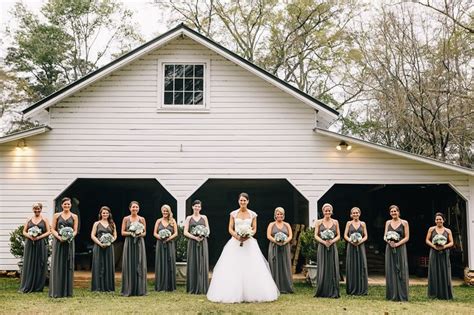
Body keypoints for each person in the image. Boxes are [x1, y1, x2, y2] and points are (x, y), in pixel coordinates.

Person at [207, 192, 279, 303]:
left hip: (249, 243)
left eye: (244, 200)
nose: (242, 202)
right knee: (233, 266)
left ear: (248, 201)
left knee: (251, 267)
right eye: (241, 200)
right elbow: (230, 228)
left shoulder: (253, 215)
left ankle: (253, 293)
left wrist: (248, 235)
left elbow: (254, 229)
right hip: (235, 242)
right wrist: (237, 236)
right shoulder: (233, 214)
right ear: (238, 201)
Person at [49, 197, 79, 298]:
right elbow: (52, 229)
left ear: (71, 205)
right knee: (58, 264)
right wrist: (59, 237)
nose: (67, 206)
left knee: (67, 264)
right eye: (65, 204)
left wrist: (69, 236)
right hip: (58, 242)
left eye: (68, 204)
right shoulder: (56, 215)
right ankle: (57, 290)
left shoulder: (74, 216)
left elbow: (75, 230)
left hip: (69, 243)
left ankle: (67, 291)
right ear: (61, 205)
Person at [19, 203, 51, 293]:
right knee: (29, 262)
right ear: (32, 209)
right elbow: (24, 231)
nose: (37, 210)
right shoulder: (29, 219)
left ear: (41, 209)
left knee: (40, 263)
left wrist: (39, 237)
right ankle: (28, 284)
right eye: (35, 209)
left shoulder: (45, 219)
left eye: (38, 209)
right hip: (30, 243)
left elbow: (49, 231)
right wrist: (30, 236)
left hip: (40, 243)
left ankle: (38, 286)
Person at [314, 203, 340, 298]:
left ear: (331, 211)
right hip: (322, 247)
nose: (327, 212)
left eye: (329, 210)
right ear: (323, 211)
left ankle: (333, 290)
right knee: (323, 266)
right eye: (326, 210)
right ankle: (322, 290)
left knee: (332, 266)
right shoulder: (318, 222)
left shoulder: (335, 222)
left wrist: (332, 241)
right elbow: (316, 235)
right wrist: (323, 242)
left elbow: (338, 235)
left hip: (332, 247)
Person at [121, 201, 147, 296]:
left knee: (139, 263)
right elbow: (122, 232)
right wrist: (131, 233)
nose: (134, 209)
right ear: (130, 208)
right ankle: (129, 288)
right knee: (129, 263)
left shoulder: (142, 219)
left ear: (139, 208)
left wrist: (139, 233)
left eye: (136, 207)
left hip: (139, 243)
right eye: (133, 207)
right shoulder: (126, 219)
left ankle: (139, 289)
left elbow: (144, 233)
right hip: (129, 243)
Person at [184, 200, 210, 294]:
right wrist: (195, 237)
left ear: (201, 208)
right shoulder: (189, 218)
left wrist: (203, 235)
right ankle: (193, 286)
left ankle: (202, 286)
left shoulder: (204, 217)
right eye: (195, 206)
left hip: (203, 242)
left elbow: (208, 230)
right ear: (192, 207)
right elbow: (185, 232)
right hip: (192, 242)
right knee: (193, 262)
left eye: (199, 206)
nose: (197, 208)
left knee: (202, 262)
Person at [426, 212, 454, 299]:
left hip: (444, 253)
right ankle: (434, 293)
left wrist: (444, 246)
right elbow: (427, 240)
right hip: (434, 252)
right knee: (434, 271)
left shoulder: (448, 231)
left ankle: (445, 294)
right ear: (435, 220)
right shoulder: (431, 229)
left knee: (444, 271)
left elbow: (452, 242)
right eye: (437, 219)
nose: (438, 221)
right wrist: (434, 246)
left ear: (443, 220)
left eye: (440, 219)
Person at [384, 205, 409, 301]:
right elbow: (385, 236)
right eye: (392, 211)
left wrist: (397, 244)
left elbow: (407, 237)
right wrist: (389, 241)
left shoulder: (404, 223)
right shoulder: (388, 222)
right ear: (390, 213)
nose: (393, 213)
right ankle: (391, 294)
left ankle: (402, 294)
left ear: (398, 212)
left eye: (395, 211)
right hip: (390, 247)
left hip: (400, 247)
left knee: (401, 270)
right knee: (391, 269)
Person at [266, 207, 293, 293]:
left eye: (281, 214)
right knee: (274, 265)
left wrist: (285, 242)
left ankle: (286, 287)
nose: (279, 215)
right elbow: (268, 236)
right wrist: (276, 241)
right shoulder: (271, 224)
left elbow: (290, 236)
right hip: (274, 247)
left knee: (285, 265)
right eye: (278, 214)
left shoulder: (287, 224)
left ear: (283, 215)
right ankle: (275, 287)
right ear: (275, 215)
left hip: (285, 247)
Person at [91, 206, 117, 292]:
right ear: (100, 214)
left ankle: (108, 287)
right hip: (98, 247)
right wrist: (100, 243)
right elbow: (92, 235)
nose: (105, 214)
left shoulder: (112, 224)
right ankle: (98, 287)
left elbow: (115, 236)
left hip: (109, 247)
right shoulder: (96, 223)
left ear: (109, 214)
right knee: (98, 265)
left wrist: (110, 241)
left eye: (106, 213)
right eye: (103, 213)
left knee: (108, 265)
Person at [343, 207, 368, 295]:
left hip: (360, 246)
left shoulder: (363, 223)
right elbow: (345, 235)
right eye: (353, 213)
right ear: (351, 214)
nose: (355, 214)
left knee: (361, 265)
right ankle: (351, 288)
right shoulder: (349, 223)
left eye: (357, 213)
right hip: (351, 246)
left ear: (359, 214)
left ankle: (361, 288)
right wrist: (351, 240)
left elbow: (366, 236)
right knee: (352, 265)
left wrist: (360, 241)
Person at [153, 204, 178, 292]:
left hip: (170, 244)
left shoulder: (173, 221)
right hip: (160, 243)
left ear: (169, 211)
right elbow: (154, 233)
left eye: (166, 211)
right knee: (161, 262)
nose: (165, 212)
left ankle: (170, 286)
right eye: (164, 211)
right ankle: (160, 285)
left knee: (169, 262)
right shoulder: (158, 221)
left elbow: (176, 233)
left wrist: (168, 238)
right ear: (161, 211)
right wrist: (161, 237)